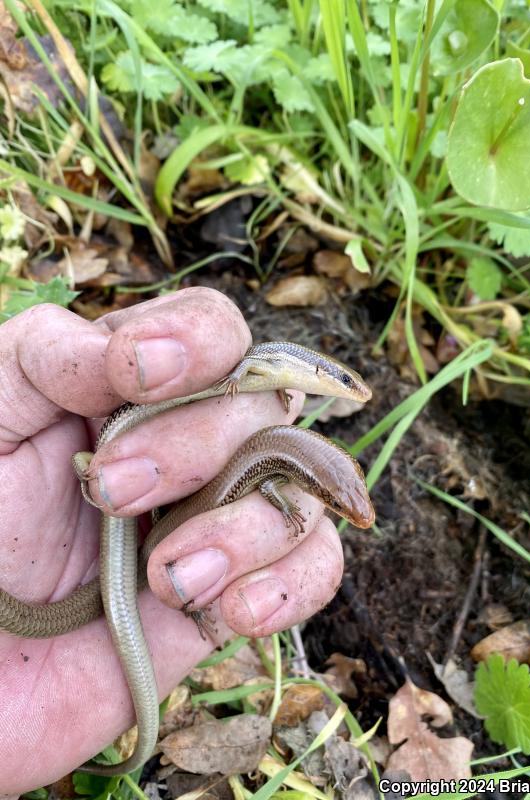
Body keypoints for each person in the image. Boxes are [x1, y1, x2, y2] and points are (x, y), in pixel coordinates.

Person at [0, 288, 344, 794]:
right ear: (317, 372)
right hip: (114, 446)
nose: (349, 389)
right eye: (344, 380)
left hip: (139, 535)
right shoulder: (258, 373)